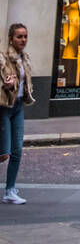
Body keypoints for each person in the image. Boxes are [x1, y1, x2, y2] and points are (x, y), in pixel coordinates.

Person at [0, 23, 35, 205]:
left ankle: (10, 190)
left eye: (25, 36)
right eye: (19, 37)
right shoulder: (3, 58)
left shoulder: (25, 58)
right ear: (11, 39)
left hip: (18, 107)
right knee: (3, 153)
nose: (23, 40)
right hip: (4, 108)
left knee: (17, 151)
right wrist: (5, 86)